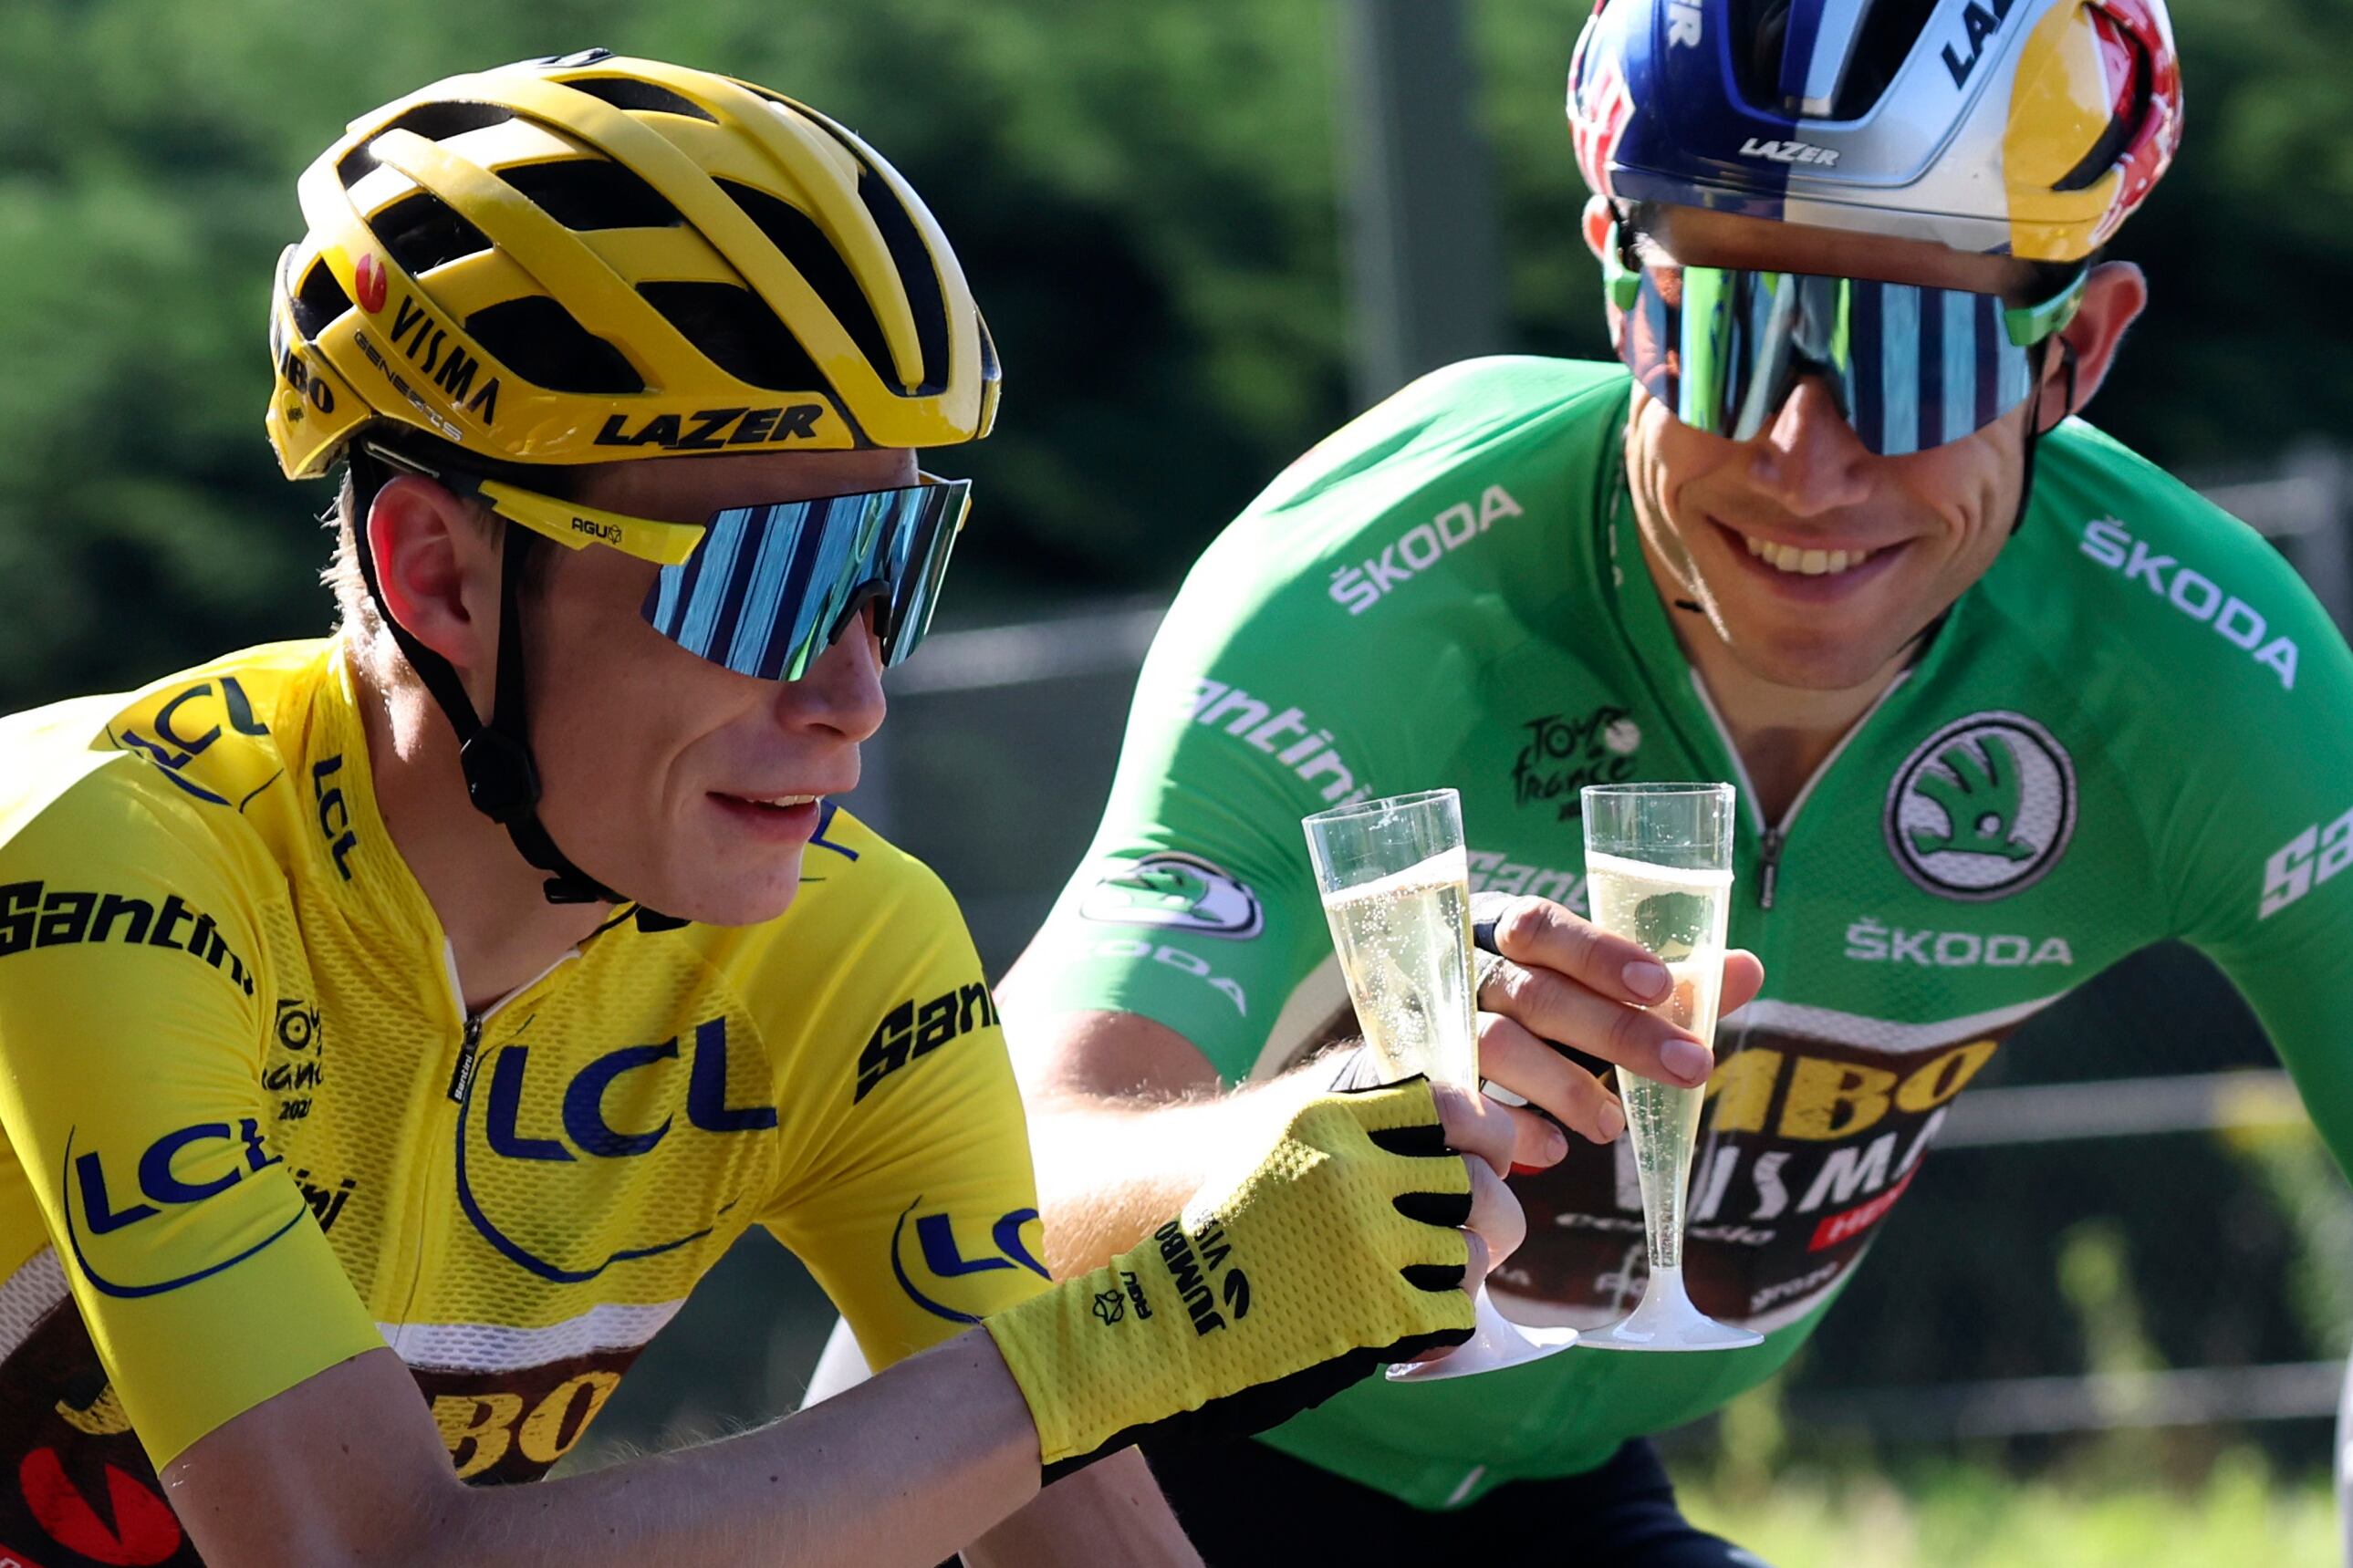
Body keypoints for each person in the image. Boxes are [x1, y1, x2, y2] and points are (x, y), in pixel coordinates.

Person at [0, 50, 1528, 1568]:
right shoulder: (101, 873)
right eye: (774, 580)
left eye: (894, 573)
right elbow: (366, 1558)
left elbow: (1073, 1526)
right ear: (441, 575)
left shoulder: (842, 946)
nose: (856, 695)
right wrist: (1147, 1332)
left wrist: (1142, 1347)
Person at [982, 0, 2353, 1559]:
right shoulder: (1375, 583)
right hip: (1090, 1444)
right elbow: (997, 1187)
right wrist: (1308, 1146)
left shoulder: (2200, 674)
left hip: (1547, 1495)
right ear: (1625, 301)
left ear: (2078, 355)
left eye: (1908, 361)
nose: (1801, 454)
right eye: (1724, 333)